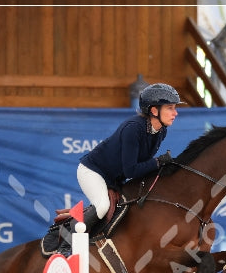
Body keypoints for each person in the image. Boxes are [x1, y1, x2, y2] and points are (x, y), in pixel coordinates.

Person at [59, 82, 184, 254]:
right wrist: (157, 162)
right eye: (170, 108)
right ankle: (65, 245)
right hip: (92, 171)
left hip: (114, 179)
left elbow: (140, 166)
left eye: (175, 108)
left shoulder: (161, 131)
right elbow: (131, 171)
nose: (175, 113)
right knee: (102, 206)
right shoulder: (133, 129)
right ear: (154, 111)